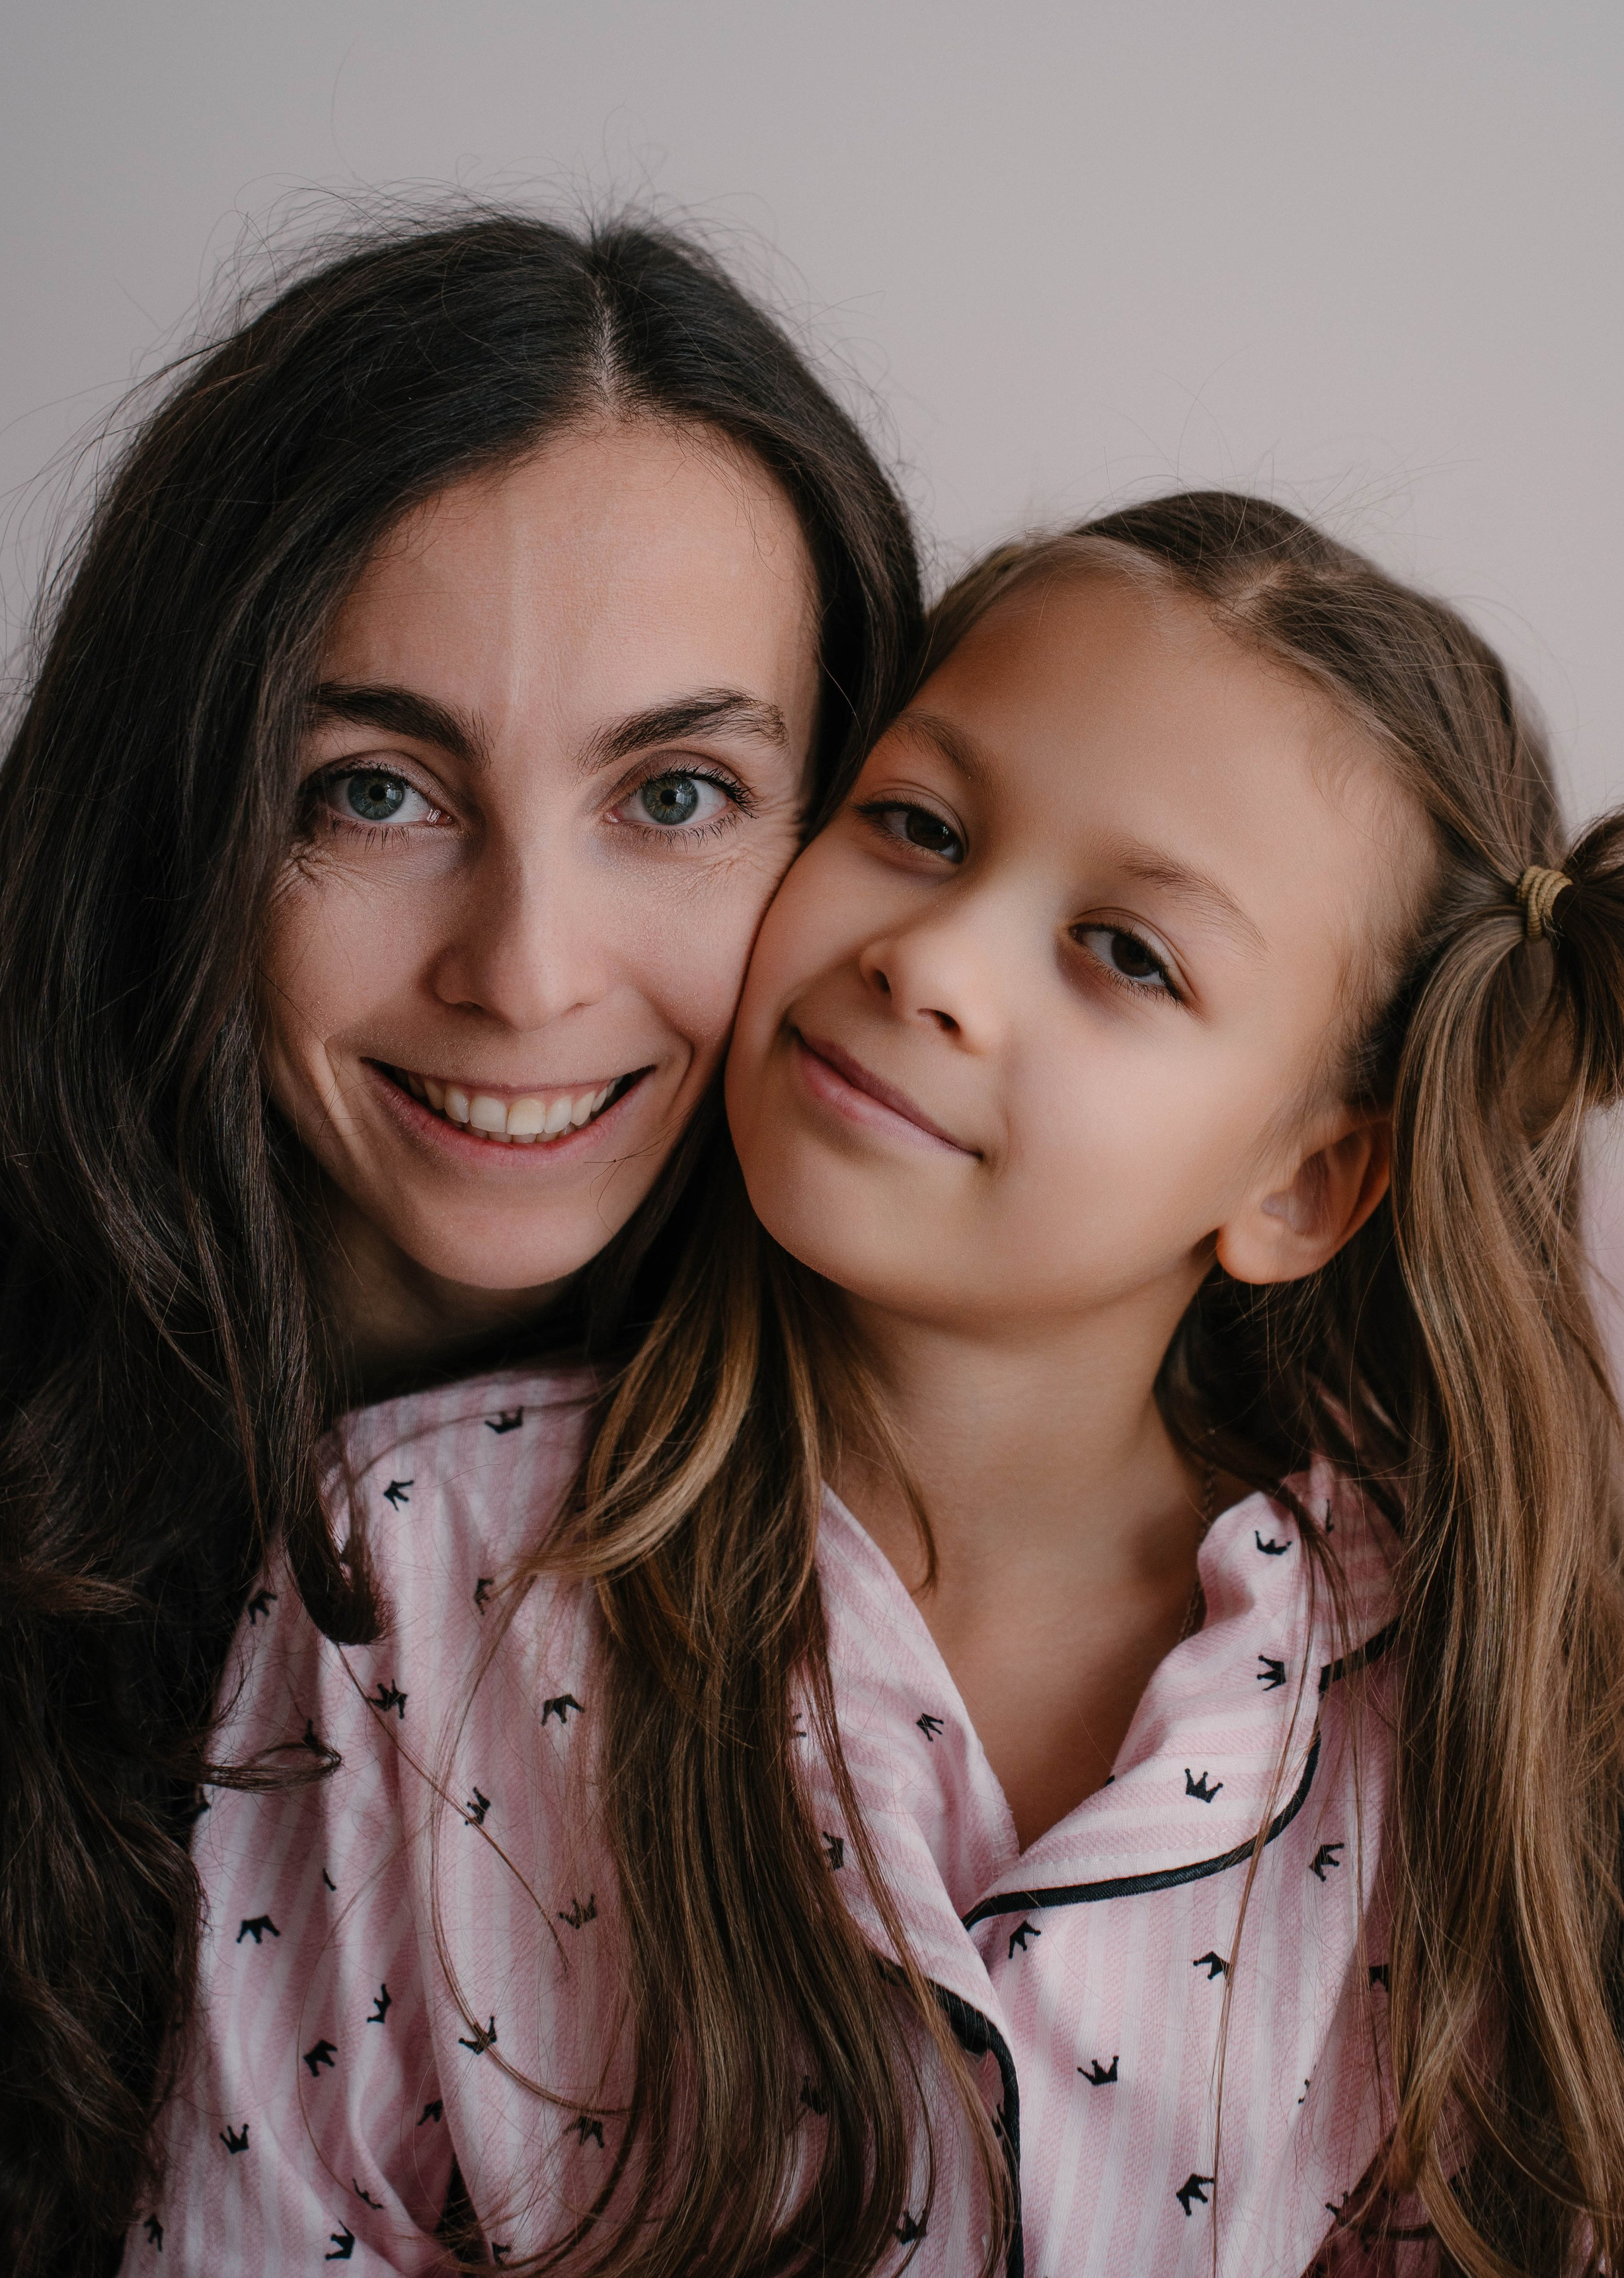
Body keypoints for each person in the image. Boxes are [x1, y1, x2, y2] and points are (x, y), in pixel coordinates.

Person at [128, 493, 1624, 2278]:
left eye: (1127, 954)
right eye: (916, 826)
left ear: (1302, 1185)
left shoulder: (1428, 1682)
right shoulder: (414, 1557)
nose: (933, 958)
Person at [0, 205, 923, 2278]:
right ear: (181, 814)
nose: (526, 972)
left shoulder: (972, 1545)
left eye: (675, 798)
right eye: (374, 791)